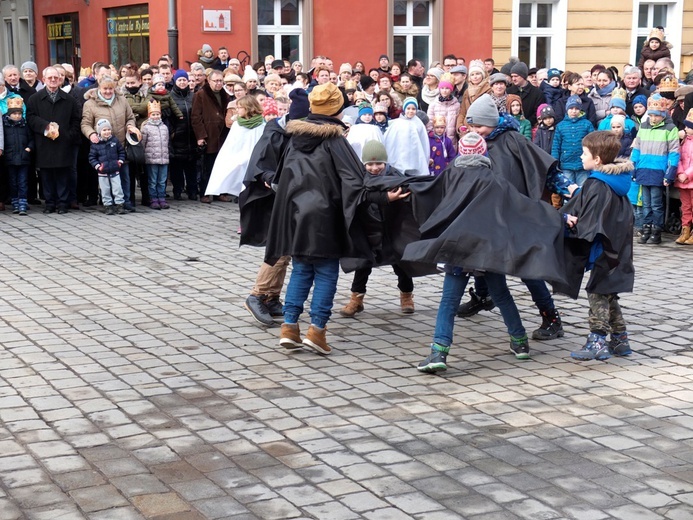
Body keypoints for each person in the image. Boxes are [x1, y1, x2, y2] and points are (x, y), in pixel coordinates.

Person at [262, 82, 375, 355]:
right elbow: (356, 181)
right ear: (336, 109)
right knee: (325, 273)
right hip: (326, 218)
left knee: (301, 270)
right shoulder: (335, 141)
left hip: (298, 219)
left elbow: (282, 180)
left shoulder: (294, 140)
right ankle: (317, 331)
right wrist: (383, 197)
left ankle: (289, 327)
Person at [456, 95, 577, 343]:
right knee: (478, 254)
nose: (476, 131)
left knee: (528, 267)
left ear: (492, 121)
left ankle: (551, 318)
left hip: (516, 212)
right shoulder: (476, 143)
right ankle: (483, 295)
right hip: (486, 213)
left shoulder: (514, 140)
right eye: (472, 127)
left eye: (480, 126)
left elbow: (542, 167)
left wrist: (568, 188)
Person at [558, 132, 634, 361]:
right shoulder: (617, 181)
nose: (581, 157)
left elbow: (589, 221)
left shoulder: (596, 183)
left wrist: (567, 222)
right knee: (609, 292)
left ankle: (597, 339)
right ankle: (620, 339)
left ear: (598, 159)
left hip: (603, 248)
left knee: (597, 290)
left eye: (585, 153)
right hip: (617, 246)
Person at [240, 88, 311, 327]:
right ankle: (257, 295)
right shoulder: (275, 133)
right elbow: (258, 165)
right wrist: (271, 178)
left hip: (294, 197)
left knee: (286, 250)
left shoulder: (300, 132)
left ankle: (271, 297)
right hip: (273, 198)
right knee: (280, 249)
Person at [339, 140, 413, 318]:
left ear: (385, 162)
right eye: (370, 164)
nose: (374, 168)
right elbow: (356, 197)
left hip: (392, 227)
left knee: (401, 263)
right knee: (362, 264)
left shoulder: (396, 176)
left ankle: (407, 295)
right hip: (368, 227)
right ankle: (356, 299)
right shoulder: (359, 178)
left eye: (378, 163)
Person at [26, 66, 81, 215]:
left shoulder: (68, 99)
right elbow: (30, 118)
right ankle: (50, 203)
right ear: (43, 79)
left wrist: (68, 135)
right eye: (49, 78)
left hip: (63, 143)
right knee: (46, 175)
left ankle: (63, 203)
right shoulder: (35, 99)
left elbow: (76, 120)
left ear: (60, 79)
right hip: (44, 143)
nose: (53, 80)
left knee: (63, 174)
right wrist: (45, 126)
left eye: (55, 78)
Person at [81, 75, 141, 211]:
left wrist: (131, 125)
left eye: (110, 88)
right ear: (99, 88)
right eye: (105, 88)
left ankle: (124, 201)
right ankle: (108, 203)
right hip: (102, 148)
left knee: (124, 176)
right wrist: (91, 134)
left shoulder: (122, 100)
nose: (108, 91)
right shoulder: (90, 104)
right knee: (106, 178)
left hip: (120, 144)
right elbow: (85, 124)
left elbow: (130, 117)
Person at [631, 93, 680, 245]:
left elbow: (674, 152)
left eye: (656, 116)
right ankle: (646, 229)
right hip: (644, 169)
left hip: (659, 170)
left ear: (663, 115)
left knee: (656, 203)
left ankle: (656, 230)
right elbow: (636, 148)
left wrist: (670, 172)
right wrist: (633, 167)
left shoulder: (670, 128)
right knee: (645, 202)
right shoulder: (644, 127)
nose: (653, 118)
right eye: (651, 115)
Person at [206, 95, 265, 198]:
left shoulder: (261, 124)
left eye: (239, 107)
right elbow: (232, 144)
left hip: (255, 159)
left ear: (248, 108)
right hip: (239, 158)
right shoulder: (237, 125)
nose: (236, 110)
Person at [191, 69, 231, 203]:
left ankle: (221, 192)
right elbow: (196, 117)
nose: (219, 84)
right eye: (216, 81)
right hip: (209, 134)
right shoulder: (201, 95)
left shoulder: (225, 95)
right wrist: (201, 136)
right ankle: (205, 193)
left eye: (221, 81)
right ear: (209, 80)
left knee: (223, 166)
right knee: (207, 167)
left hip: (223, 135)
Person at [552, 95, 595, 187]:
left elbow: (593, 144)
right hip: (566, 164)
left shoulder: (587, 124)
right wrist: (555, 162)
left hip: (583, 164)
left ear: (580, 110)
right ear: (567, 109)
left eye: (576, 108)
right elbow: (556, 145)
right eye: (571, 108)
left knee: (582, 189)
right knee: (568, 190)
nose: (574, 111)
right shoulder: (560, 126)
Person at [170, 69, 199, 200]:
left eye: (184, 80)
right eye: (179, 80)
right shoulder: (170, 97)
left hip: (191, 136)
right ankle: (177, 190)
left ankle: (192, 190)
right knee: (177, 166)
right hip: (177, 136)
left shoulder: (194, 96)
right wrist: (172, 133)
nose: (182, 82)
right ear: (175, 81)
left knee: (191, 165)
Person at [2, 97, 33, 215]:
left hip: (23, 158)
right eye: (14, 113)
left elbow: (31, 139)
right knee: (13, 181)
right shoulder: (5, 126)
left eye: (19, 113)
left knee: (23, 181)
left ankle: (22, 202)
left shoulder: (25, 125)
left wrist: (29, 148)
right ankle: (15, 201)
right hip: (10, 158)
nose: (17, 116)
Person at [88, 118, 126, 215]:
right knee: (105, 189)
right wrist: (98, 166)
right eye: (104, 130)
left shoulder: (114, 141)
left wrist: (120, 162)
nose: (107, 132)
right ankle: (108, 205)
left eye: (108, 129)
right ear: (99, 131)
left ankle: (119, 204)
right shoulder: (95, 144)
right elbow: (92, 157)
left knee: (117, 188)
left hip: (115, 170)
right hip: (102, 172)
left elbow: (121, 152)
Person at [384, 97, 430, 176]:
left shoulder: (419, 124)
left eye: (413, 109)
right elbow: (389, 141)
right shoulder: (397, 123)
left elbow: (424, 143)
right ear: (404, 109)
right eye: (408, 108)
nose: (410, 111)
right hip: (400, 157)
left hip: (415, 158)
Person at [140, 100, 170, 209]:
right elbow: (143, 143)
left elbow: (166, 142)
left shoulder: (164, 127)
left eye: (157, 114)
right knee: (152, 180)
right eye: (153, 114)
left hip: (163, 158)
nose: (156, 116)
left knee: (162, 180)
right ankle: (153, 199)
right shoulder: (146, 128)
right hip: (151, 159)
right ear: (149, 115)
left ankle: (162, 198)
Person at [674, 108, 693, 244]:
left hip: (690, 178)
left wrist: (687, 174)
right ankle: (685, 229)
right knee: (685, 206)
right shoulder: (684, 141)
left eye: (688, 126)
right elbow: (678, 157)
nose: (685, 129)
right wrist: (680, 172)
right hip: (683, 180)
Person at [507, 61, 545, 126]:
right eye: (512, 76)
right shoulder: (508, 91)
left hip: (529, 128)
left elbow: (537, 112)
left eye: (516, 76)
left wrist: (526, 123)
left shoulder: (537, 93)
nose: (513, 79)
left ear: (523, 76)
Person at [456, 60, 491, 130]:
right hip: (467, 127)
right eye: (472, 74)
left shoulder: (489, 90)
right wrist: (460, 126)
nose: (475, 77)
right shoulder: (467, 91)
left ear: (482, 75)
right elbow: (462, 112)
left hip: (481, 128)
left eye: (477, 74)